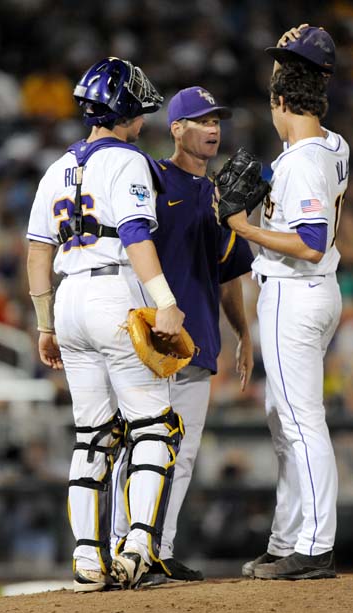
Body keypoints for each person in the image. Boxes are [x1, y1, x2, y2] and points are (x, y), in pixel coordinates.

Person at [26, 57, 186, 592]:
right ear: (126, 110)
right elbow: (137, 234)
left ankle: (86, 560)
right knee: (153, 427)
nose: (143, 116)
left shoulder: (56, 168)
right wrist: (164, 300)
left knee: (92, 436)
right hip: (113, 288)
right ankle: (138, 546)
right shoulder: (128, 161)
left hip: (68, 298)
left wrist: (45, 324)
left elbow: (35, 252)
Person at [111, 86, 255, 584]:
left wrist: (243, 334)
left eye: (217, 119)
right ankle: (119, 550)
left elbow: (230, 273)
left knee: (184, 453)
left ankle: (158, 550)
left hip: (199, 342)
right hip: (148, 340)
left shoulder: (222, 195)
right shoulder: (149, 177)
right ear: (176, 128)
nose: (213, 128)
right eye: (201, 120)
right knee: (138, 446)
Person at [224, 25, 348, 580]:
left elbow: (311, 240)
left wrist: (245, 228)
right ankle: (285, 539)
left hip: (296, 292)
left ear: (279, 102)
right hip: (311, 294)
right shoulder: (332, 145)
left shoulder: (302, 161)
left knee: (301, 423)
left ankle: (315, 546)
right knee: (284, 420)